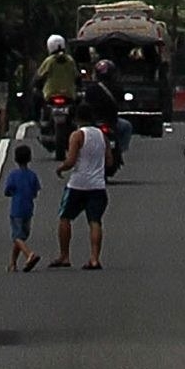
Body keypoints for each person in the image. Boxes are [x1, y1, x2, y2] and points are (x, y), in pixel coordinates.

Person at [52, 108, 111, 270]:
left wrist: (60, 168)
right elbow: (109, 161)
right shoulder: (102, 136)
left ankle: (64, 256)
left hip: (78, 184)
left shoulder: (77, 136)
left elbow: (71, 160)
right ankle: (94, 258)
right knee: (95, 221)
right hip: (97, 185)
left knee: (65, 218)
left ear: (77, 119)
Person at [5, 134, 42, 272]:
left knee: (17, 236)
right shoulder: (32, 175)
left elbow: (8, 191)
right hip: (28, 209)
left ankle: (29, 254)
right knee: (21, 235)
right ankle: (13, 263)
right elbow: (35, 192)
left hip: (16, 209)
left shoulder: (13, 175)